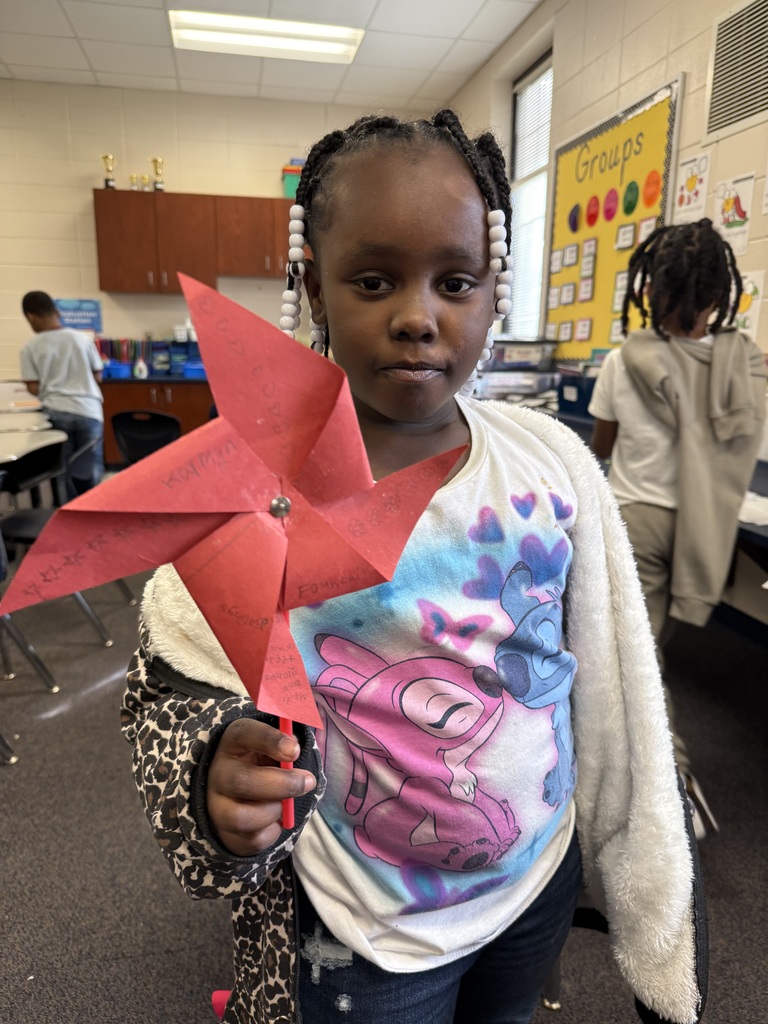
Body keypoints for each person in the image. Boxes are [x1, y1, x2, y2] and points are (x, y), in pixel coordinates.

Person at [121, 111, 706, 1024]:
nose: (417, 316)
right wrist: (214, 761)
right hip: (366, 924)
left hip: (533, 883)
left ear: (492, 289)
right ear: (314, 288)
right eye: (374, 280)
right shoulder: (257, 485)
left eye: (456, 281)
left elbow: (612, 676)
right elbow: (179, 668)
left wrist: (634, 860)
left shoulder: (551, 466)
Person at [588, 218, 766, 837]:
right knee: (650, 652)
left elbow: (602, 444)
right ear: (720, 296)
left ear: (652, 291)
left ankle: (673, 778)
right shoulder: (742, 365)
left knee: (636, 656)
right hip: (703, 526)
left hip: (636, 521)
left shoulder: (624, 360)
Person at [20, 291, 104, 499]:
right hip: (89, 411)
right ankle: (96, 510)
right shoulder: (82, 340)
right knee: (91, 467)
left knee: (63, 471)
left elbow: (33, 387)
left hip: (56, 412)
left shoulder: (29, 347)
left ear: (31, 317)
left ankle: (67, 516)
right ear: (57, 312)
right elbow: (98, 376)